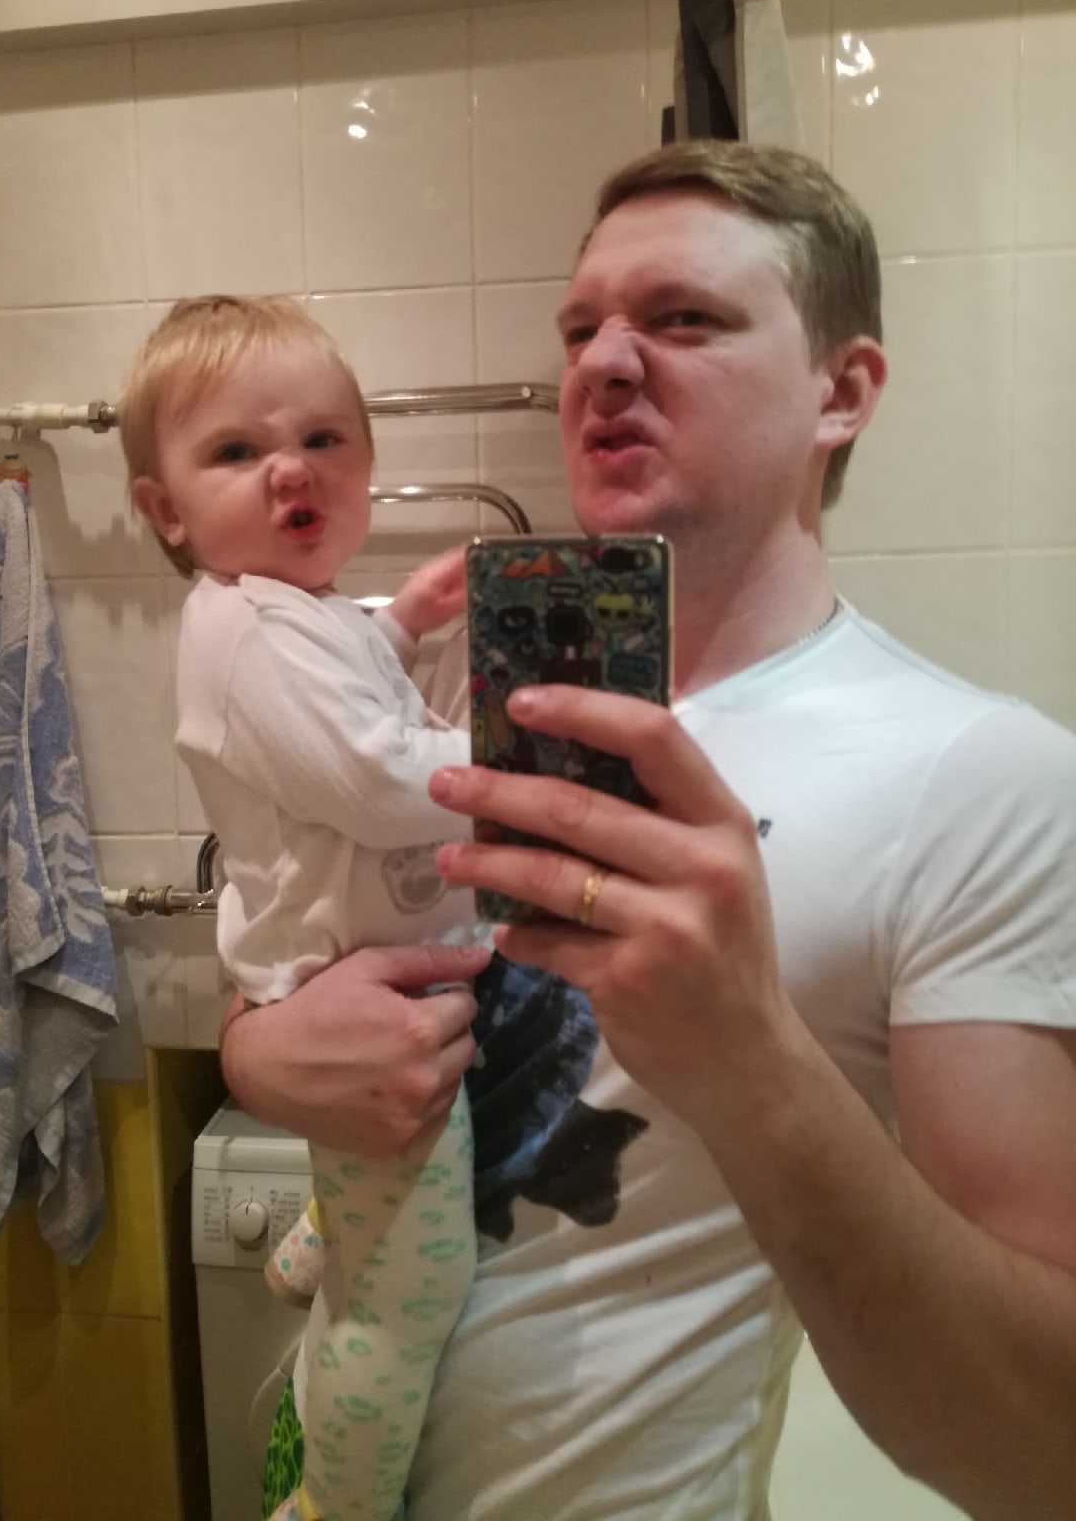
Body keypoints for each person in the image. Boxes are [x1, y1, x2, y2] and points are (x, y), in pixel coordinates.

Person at [221, 143, 1076, 1521]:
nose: (605, 363)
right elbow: (305, 936)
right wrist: (262, 1053)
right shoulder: (469, 689)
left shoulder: (983, 780)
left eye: (683, 318)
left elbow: (1046, 1453)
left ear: (842, 391)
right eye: (580, 330)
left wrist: (746, 1056)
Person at [118, 295, 490, 1521]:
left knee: (382, 1234)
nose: (292, 468)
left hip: (352, 987)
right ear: (167, 509)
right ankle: (332, 1499)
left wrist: (409, 621)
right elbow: (378, 779)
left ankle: (318, 1229)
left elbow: (346, 681)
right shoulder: (251, 628)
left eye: (325, 439)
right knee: (406, 1302)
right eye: (237, 450)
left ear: (368, 461)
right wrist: (514, 754)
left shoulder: (299, 612)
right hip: (361, 1005)